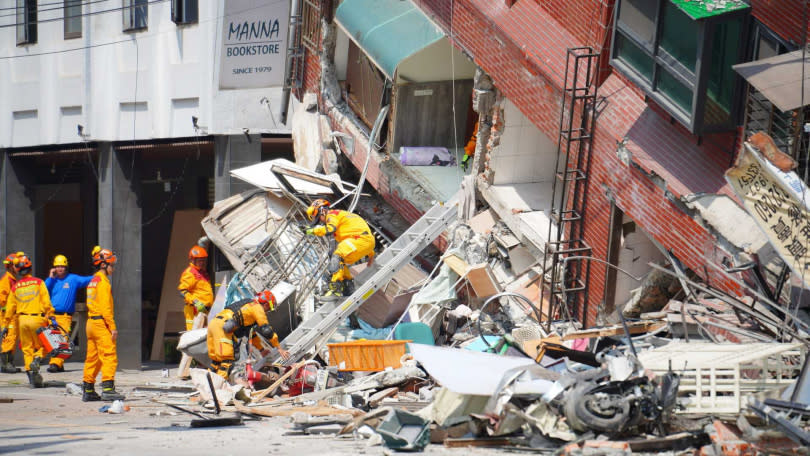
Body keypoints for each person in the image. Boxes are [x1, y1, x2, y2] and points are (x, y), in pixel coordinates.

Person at [206, 290, 290, 381]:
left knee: (216, 362)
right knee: (227, 360)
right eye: (268, 309)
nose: (267, 312)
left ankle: (207, 383)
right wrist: (279, 348)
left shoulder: (248, 305)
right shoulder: (257, 307)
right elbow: (266, 330)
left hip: (214, 324)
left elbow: (250, 333)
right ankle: (217, 387)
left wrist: (261, 349)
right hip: (223, 327)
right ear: (266, 305)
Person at [303, 199, 376, 297]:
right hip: (365, 241)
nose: (321, 222)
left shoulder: (332, 215)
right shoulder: (343, 217)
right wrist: (371, 255)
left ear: (323, 211)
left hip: (360, 239)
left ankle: (335, 285)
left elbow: (330, 229)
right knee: (341, 262)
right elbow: (362, 236)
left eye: (319, 218)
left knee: (337, 255)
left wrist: (311, 231)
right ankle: (348, 287)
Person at [4, 254, 55, 388]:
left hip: (22, 321)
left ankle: (32, 378)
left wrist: (5, 325)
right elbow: (46, 302)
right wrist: (51, 315)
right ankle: (38, 359)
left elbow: (10, 307)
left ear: (19, 271)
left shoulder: (16, 287)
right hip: (37, 319)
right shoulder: (38, 282)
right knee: (47, 344)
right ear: (30, 269)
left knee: (27, 349)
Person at [82, 248, 124, 402]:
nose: (113, 267)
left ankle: (88, 389)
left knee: (92, 358)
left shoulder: (93, 281)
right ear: (104, 265)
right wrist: (112, 327)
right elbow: (106, 308)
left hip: (91, 323)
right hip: (101, 323)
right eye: (111, 264)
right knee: (109, 356)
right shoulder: (103, 283)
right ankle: (108, 389)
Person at [44, 254, 94, 373]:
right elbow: (44, 289)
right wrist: (50, 277)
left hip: (65, 316)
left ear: (66, 267)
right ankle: (59, 364)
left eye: (62, 266)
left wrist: (99, 274)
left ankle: (55, 364)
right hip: (51, 315)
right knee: (53, 340)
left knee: (62, 340)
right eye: (57, 266)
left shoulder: (73, 279)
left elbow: (88, 280)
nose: (59, 268)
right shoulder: (52, 281)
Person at [178, 245, 213, 331]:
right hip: (194, 311)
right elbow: (182, 291)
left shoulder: (203, 273)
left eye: (203, 260)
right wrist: (195, 301)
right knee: (193, 335)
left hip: (204, 310)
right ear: (193, 259)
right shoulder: (190, 273)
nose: (202, 262)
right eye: (200, 260)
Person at [0, 252, 21, 373]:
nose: (19, 268)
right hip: (7, 316)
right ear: (10, 266)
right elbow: (2, 300)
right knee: (9, 339)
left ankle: (9, 363)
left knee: (12, 338)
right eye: (16, 265)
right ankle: (6, 364)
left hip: (12, 315)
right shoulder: (6, 280)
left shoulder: (13, 280)